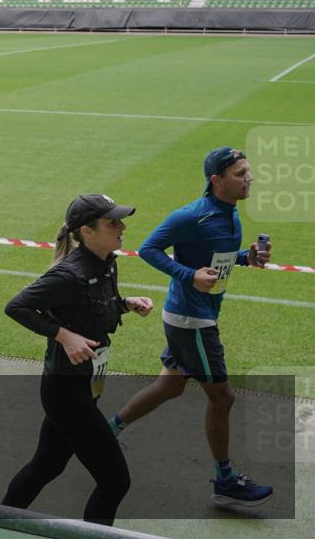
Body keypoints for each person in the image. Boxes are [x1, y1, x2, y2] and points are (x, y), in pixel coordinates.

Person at [108, 147, 274, 508]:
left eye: (248, 171)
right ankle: (225, 481)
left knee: (169, 386)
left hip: (196, 314)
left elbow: (215, 259)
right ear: (216, 180)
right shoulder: (192, 215)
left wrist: (246, 258)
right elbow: (148, 249)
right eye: (240, 173)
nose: (249, 178)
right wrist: (189, 275)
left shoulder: (229, 212)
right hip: (192, 320)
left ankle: (107, 432)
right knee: (223, 397)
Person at [1, 194, 153, 526]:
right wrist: (63, 335)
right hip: (66, 392)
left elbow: (94, 306)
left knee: (47, 466)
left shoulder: (107, 262)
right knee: (115, 481)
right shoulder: (68, 274)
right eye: (113, 222)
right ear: (87, 231)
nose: (122, 227)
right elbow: (16, 306)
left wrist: (125, 304)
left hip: (85, 384)